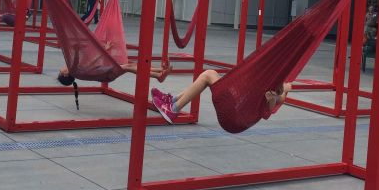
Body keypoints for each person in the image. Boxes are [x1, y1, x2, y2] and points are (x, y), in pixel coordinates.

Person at [151, 70, 292, 132]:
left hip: (236, 116)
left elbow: (267, 112)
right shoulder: (269, 78)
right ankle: (172, 101)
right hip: (235, 105)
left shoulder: (279, 89)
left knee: (208, 75)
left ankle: (173, 109)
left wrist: (273, 97)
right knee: (209, 76)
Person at [57, 56, 172, 110]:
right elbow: (91, 61)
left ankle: (160, 71)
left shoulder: (75, 71)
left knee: (130, 65)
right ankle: (158, 76)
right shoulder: (75, 71)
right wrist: (104, 51)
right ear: (65, 74)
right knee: (128, 67)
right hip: (107, 74)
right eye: (60, 71)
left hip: (105, 74)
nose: (61, 68)